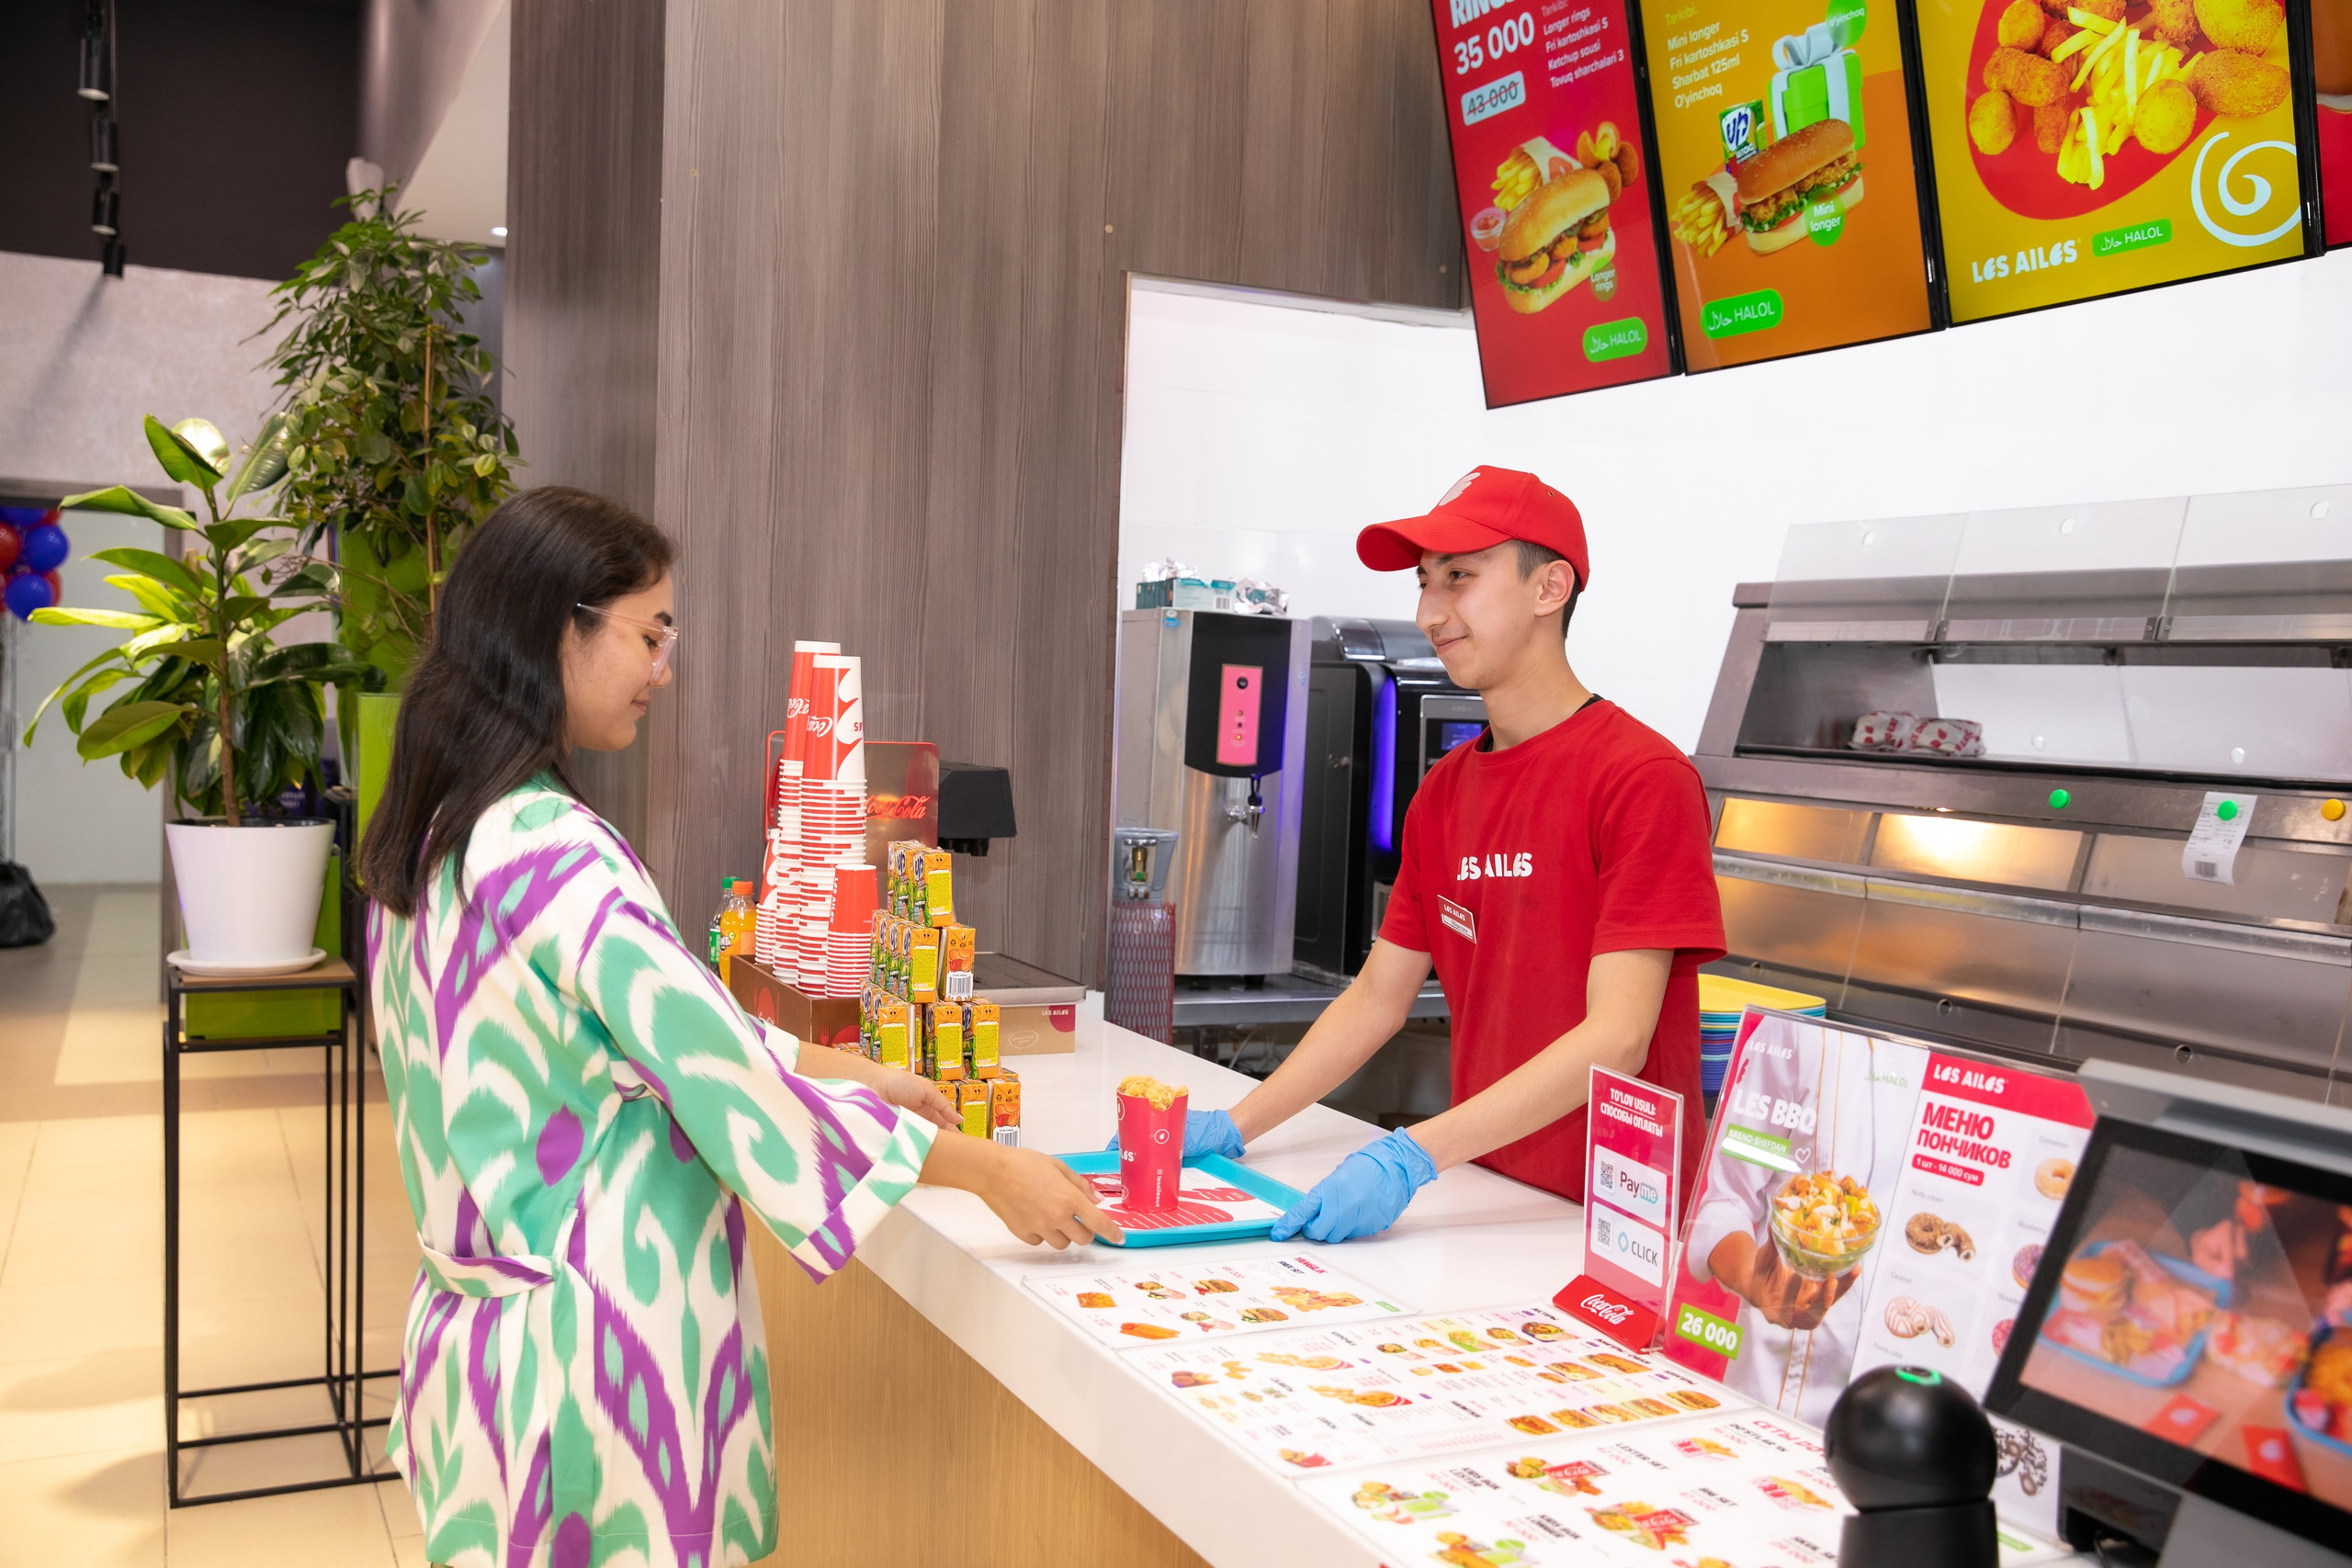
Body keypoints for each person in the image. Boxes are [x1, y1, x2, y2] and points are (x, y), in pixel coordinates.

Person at [359, 487, 1118, 1568]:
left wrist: (838, 1063)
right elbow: (715, 1078)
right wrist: (981, 1169)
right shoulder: (557, 850)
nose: (665, 669)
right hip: (600, 1362)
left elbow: (650, 1029)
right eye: (650, 634)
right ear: (552, 629)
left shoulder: (439, 834)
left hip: (488, 1359)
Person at [1125, 467, 1724, 1242]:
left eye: (1460, 578)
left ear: (1550, 588)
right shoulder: (1445, 792)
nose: (1430, 612)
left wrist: (1411, 1154)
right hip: (1486, 1194)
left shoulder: (1642, 778)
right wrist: (1240, 1123)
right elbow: (1377, 998)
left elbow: (1618, 1037)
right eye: (1425, 581)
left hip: (1622, 1222)